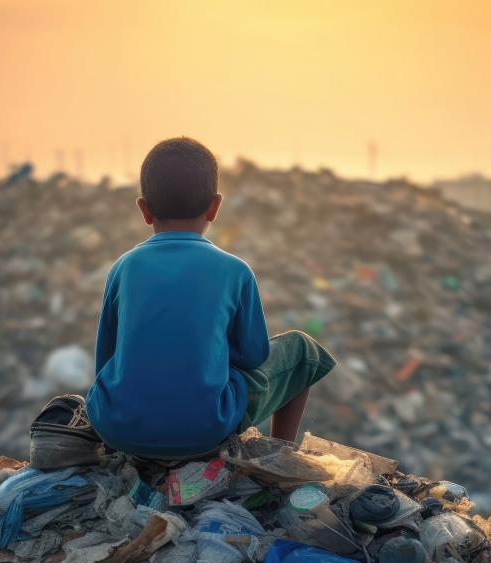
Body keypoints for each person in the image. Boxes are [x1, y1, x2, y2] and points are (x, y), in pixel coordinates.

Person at [86, 137, 336, 458]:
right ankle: (281, 456)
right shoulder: (235, 270)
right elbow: (254, 356)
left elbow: (105, 359)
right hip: (202, 431)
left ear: (144, 210)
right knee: (301, 350)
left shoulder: (123, 268)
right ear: (215, 207)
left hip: (116, 428)